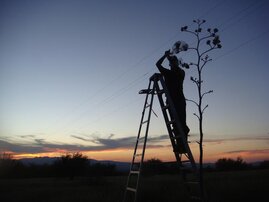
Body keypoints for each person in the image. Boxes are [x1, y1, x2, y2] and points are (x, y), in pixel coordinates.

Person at [156, 50, 190, 136]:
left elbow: (158, 64)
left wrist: (166, 56)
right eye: (173, 62)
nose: (174, 64)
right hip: (174, 101)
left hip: (177, 101)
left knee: (181, 123)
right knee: (177, 123)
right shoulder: (172, 73)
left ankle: (182, 143)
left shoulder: (176, 73)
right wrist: (167, 57)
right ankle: (180, 144)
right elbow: (158, 64)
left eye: (175, 62)